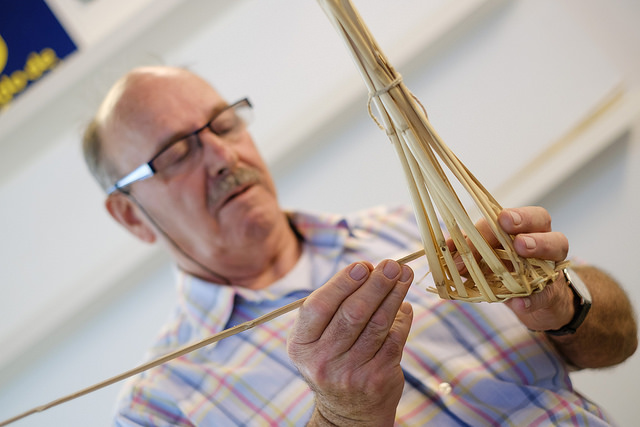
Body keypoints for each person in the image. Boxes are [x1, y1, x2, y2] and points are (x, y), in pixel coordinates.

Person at [83, 66, 637, 426]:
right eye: (176, 152)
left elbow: (621, 339)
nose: (223, 157)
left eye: (224, 125)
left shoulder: (407, 230)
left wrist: (562, 303)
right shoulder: (159, 406)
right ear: (130, 215)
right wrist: (344, 416)